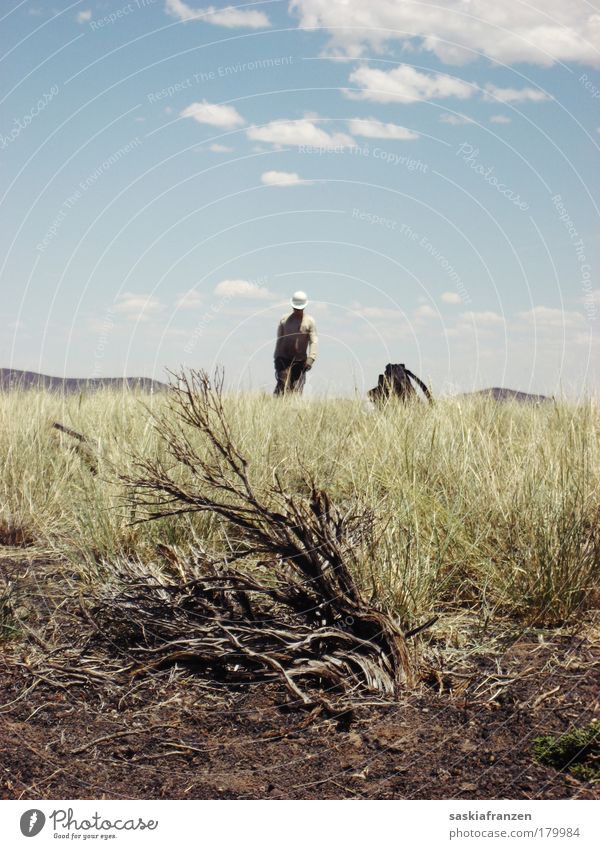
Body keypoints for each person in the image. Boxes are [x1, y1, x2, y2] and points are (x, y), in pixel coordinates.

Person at [273, 291, 318, 395]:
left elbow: (314, 341)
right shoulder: (284, 320)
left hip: (300, 361)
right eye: (295, 308)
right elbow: (279, 339)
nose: (297, 310)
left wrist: (311, 358)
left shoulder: (309, 321)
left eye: (299, 308)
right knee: (283, 385)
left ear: (304, 307)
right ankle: (277, 405)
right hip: (283, 359)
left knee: (297, 390)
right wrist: (277, 357)